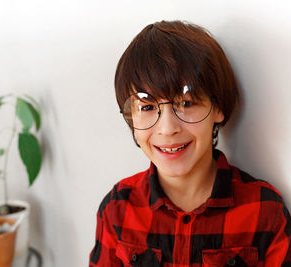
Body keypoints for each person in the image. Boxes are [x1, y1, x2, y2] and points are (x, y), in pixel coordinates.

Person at [89, 20, 291, 266]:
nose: (168, 129)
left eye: (186, 103)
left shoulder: (265, 210)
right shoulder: (116, 209)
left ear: (217, 107)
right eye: (148, 107)